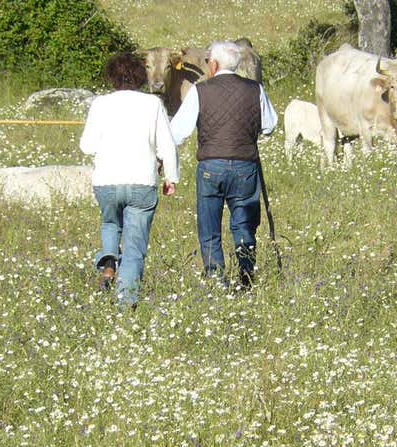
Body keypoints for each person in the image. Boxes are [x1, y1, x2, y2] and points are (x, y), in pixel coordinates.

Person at [171, 40, 277, 290]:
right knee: (244, 223)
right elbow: (270, 125)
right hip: (245, 166)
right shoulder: (255, 90)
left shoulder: (201, 91)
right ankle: (246, 274)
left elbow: (177, 132)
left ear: (214, 64)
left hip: (211, 166)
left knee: (209, 225)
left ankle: (216, 277)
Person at [80, 51, 179, 309]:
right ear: (140, 76)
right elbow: (167, 146)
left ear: (112, 78)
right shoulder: (153, 105)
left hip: (107, 180)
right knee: (135, 246)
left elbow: (87, 146)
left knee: (110, 222)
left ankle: (109, 262)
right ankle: (126, 300)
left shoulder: (100, 104)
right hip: (141, 181)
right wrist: (171, 177)